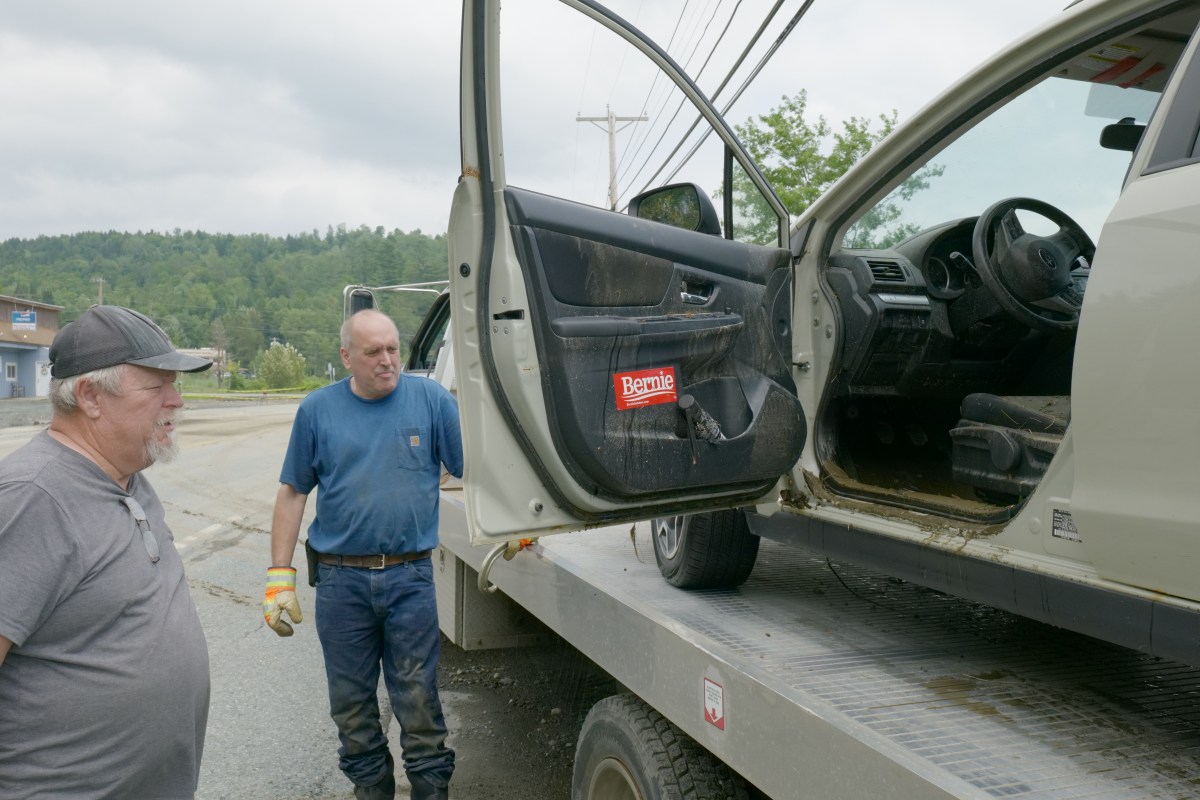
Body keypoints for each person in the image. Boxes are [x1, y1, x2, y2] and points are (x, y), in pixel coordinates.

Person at [0, 304, 213, 798]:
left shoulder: (128, 476)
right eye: (158, 386)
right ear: (92, 396)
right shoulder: (31, 497)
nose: (176, 401)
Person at [265, 308, 461, 800]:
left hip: (410, 577)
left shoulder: (433, 401)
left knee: (418, 699)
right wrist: (279, 577)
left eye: (393, 348)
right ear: (346, 356)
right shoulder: (317, 411)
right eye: (373, 352)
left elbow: (475, 470)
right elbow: (293, 493)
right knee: (351, 705)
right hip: (340, 583)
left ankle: (430, 791)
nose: (387, 360)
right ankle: (371, 790)